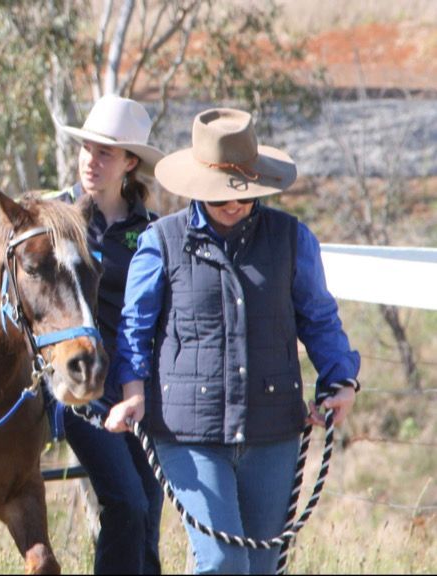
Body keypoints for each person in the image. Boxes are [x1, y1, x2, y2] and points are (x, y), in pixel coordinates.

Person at [105, 107, 361, 574]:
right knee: (223, 562)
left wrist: (340, 379)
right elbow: (135, 326)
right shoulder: (160, 242)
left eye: (242, 194)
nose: (233, 204)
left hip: (273, 430)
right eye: (221, 194)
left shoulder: (292, 239)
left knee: (261, 568)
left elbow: (320, 318)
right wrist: (132, 392)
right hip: (189, 433)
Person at [47, 94, 164, 574]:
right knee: (126, 504)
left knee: (148, 516)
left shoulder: (154, 229)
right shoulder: (55, 218)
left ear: (130, 163)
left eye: (106, 153)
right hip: (79, 389)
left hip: (137, 387)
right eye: (87, 150)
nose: (91, 162)